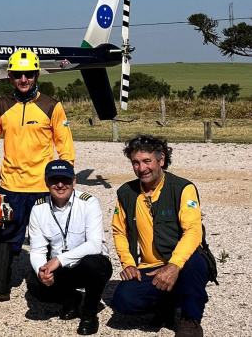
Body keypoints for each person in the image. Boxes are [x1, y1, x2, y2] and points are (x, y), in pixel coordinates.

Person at [0, 50, 74, 304]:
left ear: (36, 74)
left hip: (43, 186)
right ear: (10, 76)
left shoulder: (51, 106)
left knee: (54, 235)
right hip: (11, 184)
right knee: (4, 233)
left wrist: (66, 175)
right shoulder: (0, 105)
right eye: (18, 75)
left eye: (28, 74)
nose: (23, 79)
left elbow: (64, 144)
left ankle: (55, 286)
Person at [110, 135, 214, 337]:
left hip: (183, 261)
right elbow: (119, 230)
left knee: (195, 263)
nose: (142, 168)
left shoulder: (183, 188)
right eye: (136, 163)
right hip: (150, 266)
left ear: (161, 160)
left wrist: (174, 265)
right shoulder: (126, 192)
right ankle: (167, 304)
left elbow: (194, 231)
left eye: (147, 161)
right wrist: (128, 263)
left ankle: (190, 319)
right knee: (123, 301)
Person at [26, 160, 112, 335]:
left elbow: (95, 244)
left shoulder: (88, 203)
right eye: (54, 180)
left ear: (73, 181)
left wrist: (58, 260)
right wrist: (42, 271)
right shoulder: (39, 208)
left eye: (64, 180)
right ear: (46, 182)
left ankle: (89, 314)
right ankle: (71, 298)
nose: (59, 185)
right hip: (63, 269)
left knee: (93, 264)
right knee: (35, 283)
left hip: (88, 265)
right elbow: (37, 250)